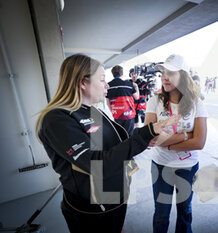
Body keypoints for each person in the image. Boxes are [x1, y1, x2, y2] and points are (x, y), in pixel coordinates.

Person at [35, 54, 178, 233]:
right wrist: (144, 134)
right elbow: (97, 164)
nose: (107, 85)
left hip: (113, 200)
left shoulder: (92, 111)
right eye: (102, 79)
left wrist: (145, 137)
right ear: (82, 82)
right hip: (92, 211)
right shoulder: (57, 119)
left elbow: (112, 145)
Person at [144, 54, 208, 233]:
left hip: (187, 167)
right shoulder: (154, 101)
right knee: (161, 214)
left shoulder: (196, 103)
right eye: (163, 72)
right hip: (161, 165)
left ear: (183, 76)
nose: (165, 76)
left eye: (171, 72)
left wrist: (167, 142)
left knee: (184, 212)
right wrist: (185, 135)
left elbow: (200, 142)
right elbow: (150, 138)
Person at [106, 65, 139, 135]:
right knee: (129, 136)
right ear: (122, 73)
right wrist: (136, 87)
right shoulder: (129, 84)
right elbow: (137, 97)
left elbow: (107, 102)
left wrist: (113, 112)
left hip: (117, 115)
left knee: (120, 135)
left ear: (112, 73)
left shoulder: (108, 86)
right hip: (129, 115)